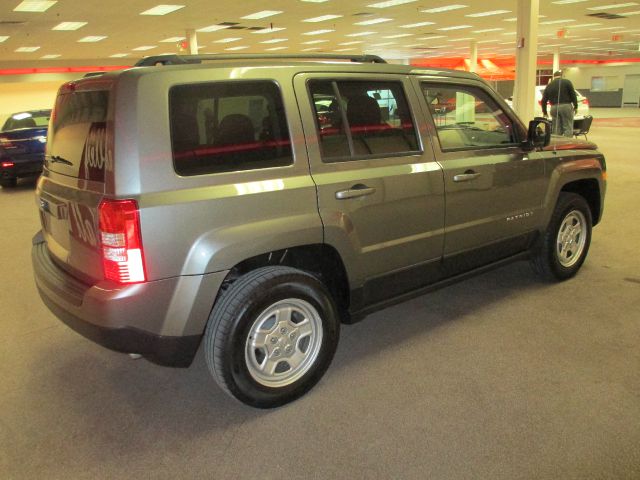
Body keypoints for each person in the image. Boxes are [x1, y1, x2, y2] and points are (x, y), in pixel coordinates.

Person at [541, 70, 578, 137]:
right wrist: (575, 106)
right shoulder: (567, 82)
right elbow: (573, 95)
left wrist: (545, 112)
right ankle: (567, 143)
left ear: (554, 76)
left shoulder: (549, 85)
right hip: (566, 106)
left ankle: (557, 144)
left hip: (554, 108)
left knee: (556, 128)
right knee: (567, 127)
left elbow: (543, 100)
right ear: (562, 76)